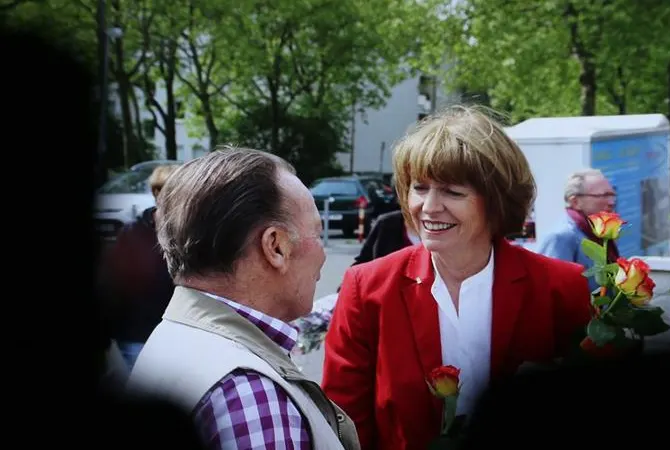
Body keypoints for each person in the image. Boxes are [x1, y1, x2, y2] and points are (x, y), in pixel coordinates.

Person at [321, 106, 592, 450]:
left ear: (495, 200)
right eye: (419, 188)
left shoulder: (562, 287)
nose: (429, 207)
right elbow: (345, 424)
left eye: (452, 191)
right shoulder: (367, 288)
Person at [126, 147, 360, 450]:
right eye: (317, 233)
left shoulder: (179, 336)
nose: (323, 254)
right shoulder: (249, 393)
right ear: (275, 246)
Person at [100, 164, 180, 370]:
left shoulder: (194, 234)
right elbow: (112, 284)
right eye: (172, 190)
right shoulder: (132, 233)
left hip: (180, 337)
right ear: (156, 193)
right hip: (138, 338)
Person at [535, 169, 618, 292]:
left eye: (612, 195)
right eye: (603, 195)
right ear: (575, 202)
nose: (612, 202)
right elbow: (549, 291)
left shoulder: (596, 231)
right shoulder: (562, 236)